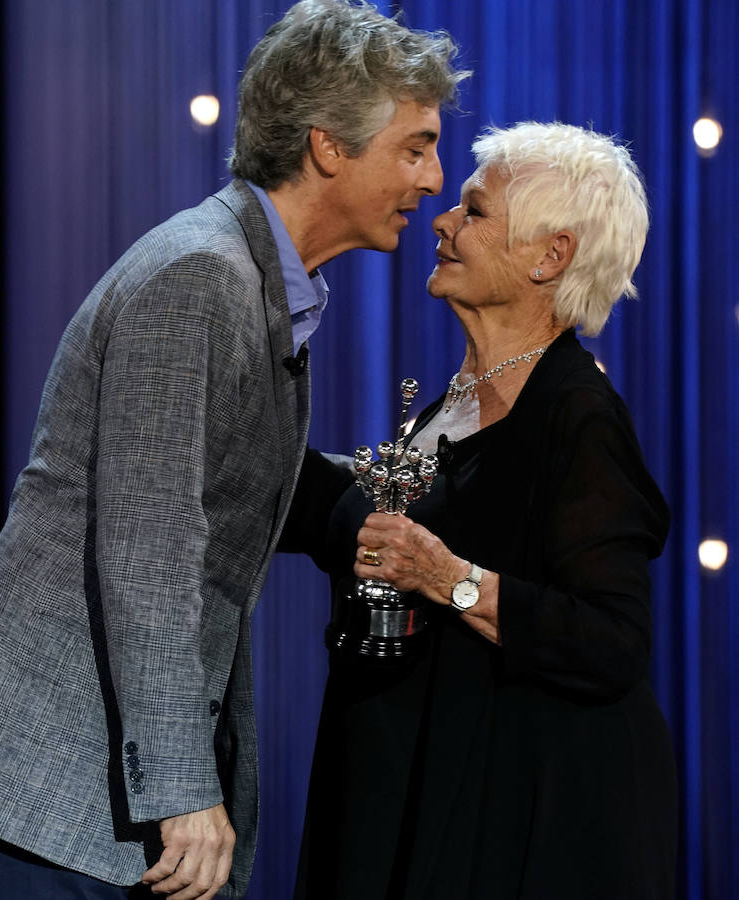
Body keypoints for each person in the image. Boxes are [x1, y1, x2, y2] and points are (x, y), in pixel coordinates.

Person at [0, 2, 468, 898]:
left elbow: (250, 473)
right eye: (414, 147)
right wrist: (186, 790)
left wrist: (390, 513)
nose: (433, 176)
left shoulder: (256, 279)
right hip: (54, 774)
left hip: (102, 771)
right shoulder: (201, 278)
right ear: (328, 147)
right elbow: (150, 547)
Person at [289, 122, 678, 899]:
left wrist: (450, 577)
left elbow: (612, 639)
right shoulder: (460, 402)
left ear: (548, 255)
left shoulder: (578, 416)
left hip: (533, 827)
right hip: (434, 788)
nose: (440, 219)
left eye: (472, 211)